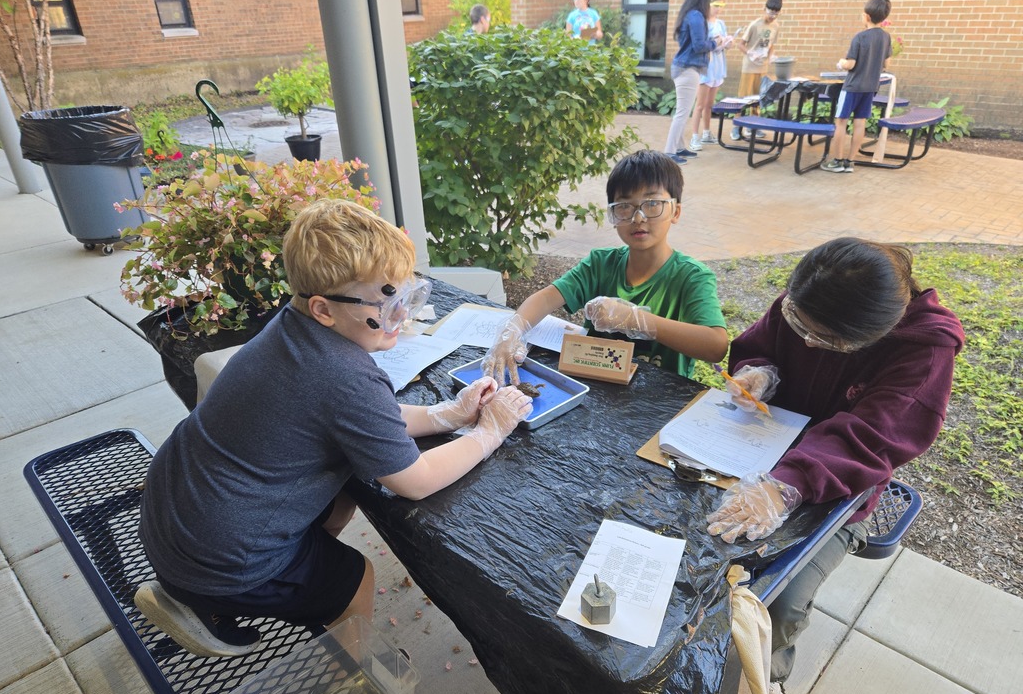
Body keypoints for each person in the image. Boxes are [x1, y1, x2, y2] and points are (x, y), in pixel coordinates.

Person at [133, 199, 533, 658]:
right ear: (324, 309)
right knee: (353, 579)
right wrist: (489, 432)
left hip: (176, 516)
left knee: (344, 491)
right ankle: (356, 671)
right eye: (388, 306)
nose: (403, 317)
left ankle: (257, 581)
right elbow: (415, 482)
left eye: (407, 297)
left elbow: (365, 418)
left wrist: (450, 414)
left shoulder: (291, 327)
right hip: (223, 557)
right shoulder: (344, 374)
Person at [705, 237, 964, 694]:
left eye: (823, 340)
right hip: (759, 453)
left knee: (777, 602)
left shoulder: (924, 351)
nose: (805, 341)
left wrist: (786, 487)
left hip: (841, 490)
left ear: (877, 331)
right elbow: (761, 342)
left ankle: (773, 669)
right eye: (799, 324)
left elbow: (871, 437)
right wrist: (757, 370)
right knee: (698, 548)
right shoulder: (807, 299)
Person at [482, 149, 728, 386]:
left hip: (658, 402)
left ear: (675, 211)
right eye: (624, 206)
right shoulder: (601, 264)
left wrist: (639, 320)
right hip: (596, 390)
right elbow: (547, 298)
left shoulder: (692, 277)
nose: (638, 218)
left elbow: (715, 346)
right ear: (613, 215)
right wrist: (511, 331)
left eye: (652, 204)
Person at [821, 0, 893, 174]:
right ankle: (850, 162)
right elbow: (887, 64)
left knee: (841, 122)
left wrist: (841, 63)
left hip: (853, 86)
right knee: (860, 122)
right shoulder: (886, 37)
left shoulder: (860, 37)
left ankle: (837, 161)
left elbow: (850, 64)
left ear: (867, 16)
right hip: (870, 87)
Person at [664, 0, 722, 164]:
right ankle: (669, 152)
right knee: (682, 112)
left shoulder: (689, 14)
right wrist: (715, 42)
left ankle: (679, 147)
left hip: (685, 67)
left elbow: (695, 43)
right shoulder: (696, 16)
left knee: (683, 110)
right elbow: (699, 46)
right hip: (688, 68)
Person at [731, 0, 783, 142]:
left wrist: (772, 56)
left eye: (776, 13)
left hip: (763, 67)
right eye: (770, 12)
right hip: (749, 66)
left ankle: (754, 125)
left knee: (758, 97)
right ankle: (736, 127)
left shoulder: (776, 26)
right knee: (743, 97)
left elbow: (771, 44)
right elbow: (741, 44)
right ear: (764, 9)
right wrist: (750, 53)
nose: (772, 16)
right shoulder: (754, 25)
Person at [689, 0, 733, 151]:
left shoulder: (721, 23)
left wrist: (727, 42)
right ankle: (694, 137)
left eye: (721, 6)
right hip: (706, 68)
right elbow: (701, 45)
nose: (718, 9)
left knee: (709, 105)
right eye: (716, 5)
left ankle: (706, 133)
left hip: (718, 67)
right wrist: (716, 41)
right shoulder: (701, 22)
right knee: (699, 105)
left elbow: (724, 45)